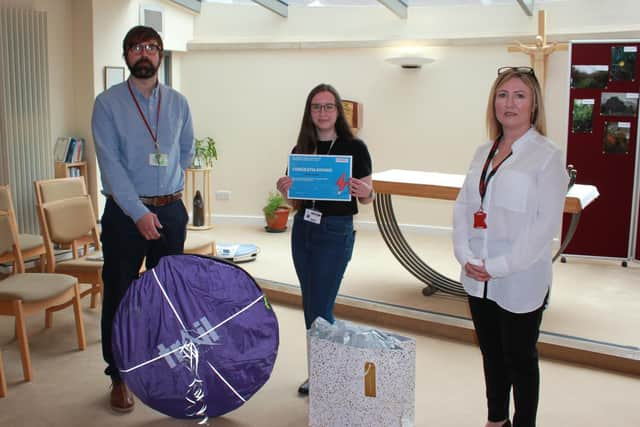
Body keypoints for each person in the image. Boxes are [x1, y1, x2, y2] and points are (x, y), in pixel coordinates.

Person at [452, 66, 568, 427]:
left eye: (520, 96)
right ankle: (496, 419)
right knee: (491, 353)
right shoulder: (482, 151)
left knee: (519, 356)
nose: (510, 103)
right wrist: (465, 255)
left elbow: (544, 227)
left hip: (519, 276)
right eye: (503, 95)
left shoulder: (547, 155)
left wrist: (499, 266)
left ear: (533, 106)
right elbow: (464, 207)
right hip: (477, 273)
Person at [91, 25, 194, 413]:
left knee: (168, 294)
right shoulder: (107, 104)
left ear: (160, 56)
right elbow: (110, 166)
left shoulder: (179, 102)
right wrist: (139, 212)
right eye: (135, 48)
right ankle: (118, 376)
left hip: (170, 210)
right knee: (119, 294)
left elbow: (186, 148)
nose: (143, 53)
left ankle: (161, 363)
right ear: (126, 56)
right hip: (124, 215)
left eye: (150, 47)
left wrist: (170, 189)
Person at [275, 83, 374, 395]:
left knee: (320, 306)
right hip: (304, 228)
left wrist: (365, 191)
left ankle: (330, 371)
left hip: (335, 230)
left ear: (338, 111)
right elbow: (295, 200)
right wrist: (285, 189)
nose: (322, 112)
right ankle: (324, 370)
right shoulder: (300, 150)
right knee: (310, 305)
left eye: (328, 106)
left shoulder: (355, 148)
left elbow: (369, 196)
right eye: (316, 107)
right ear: (309, 112)